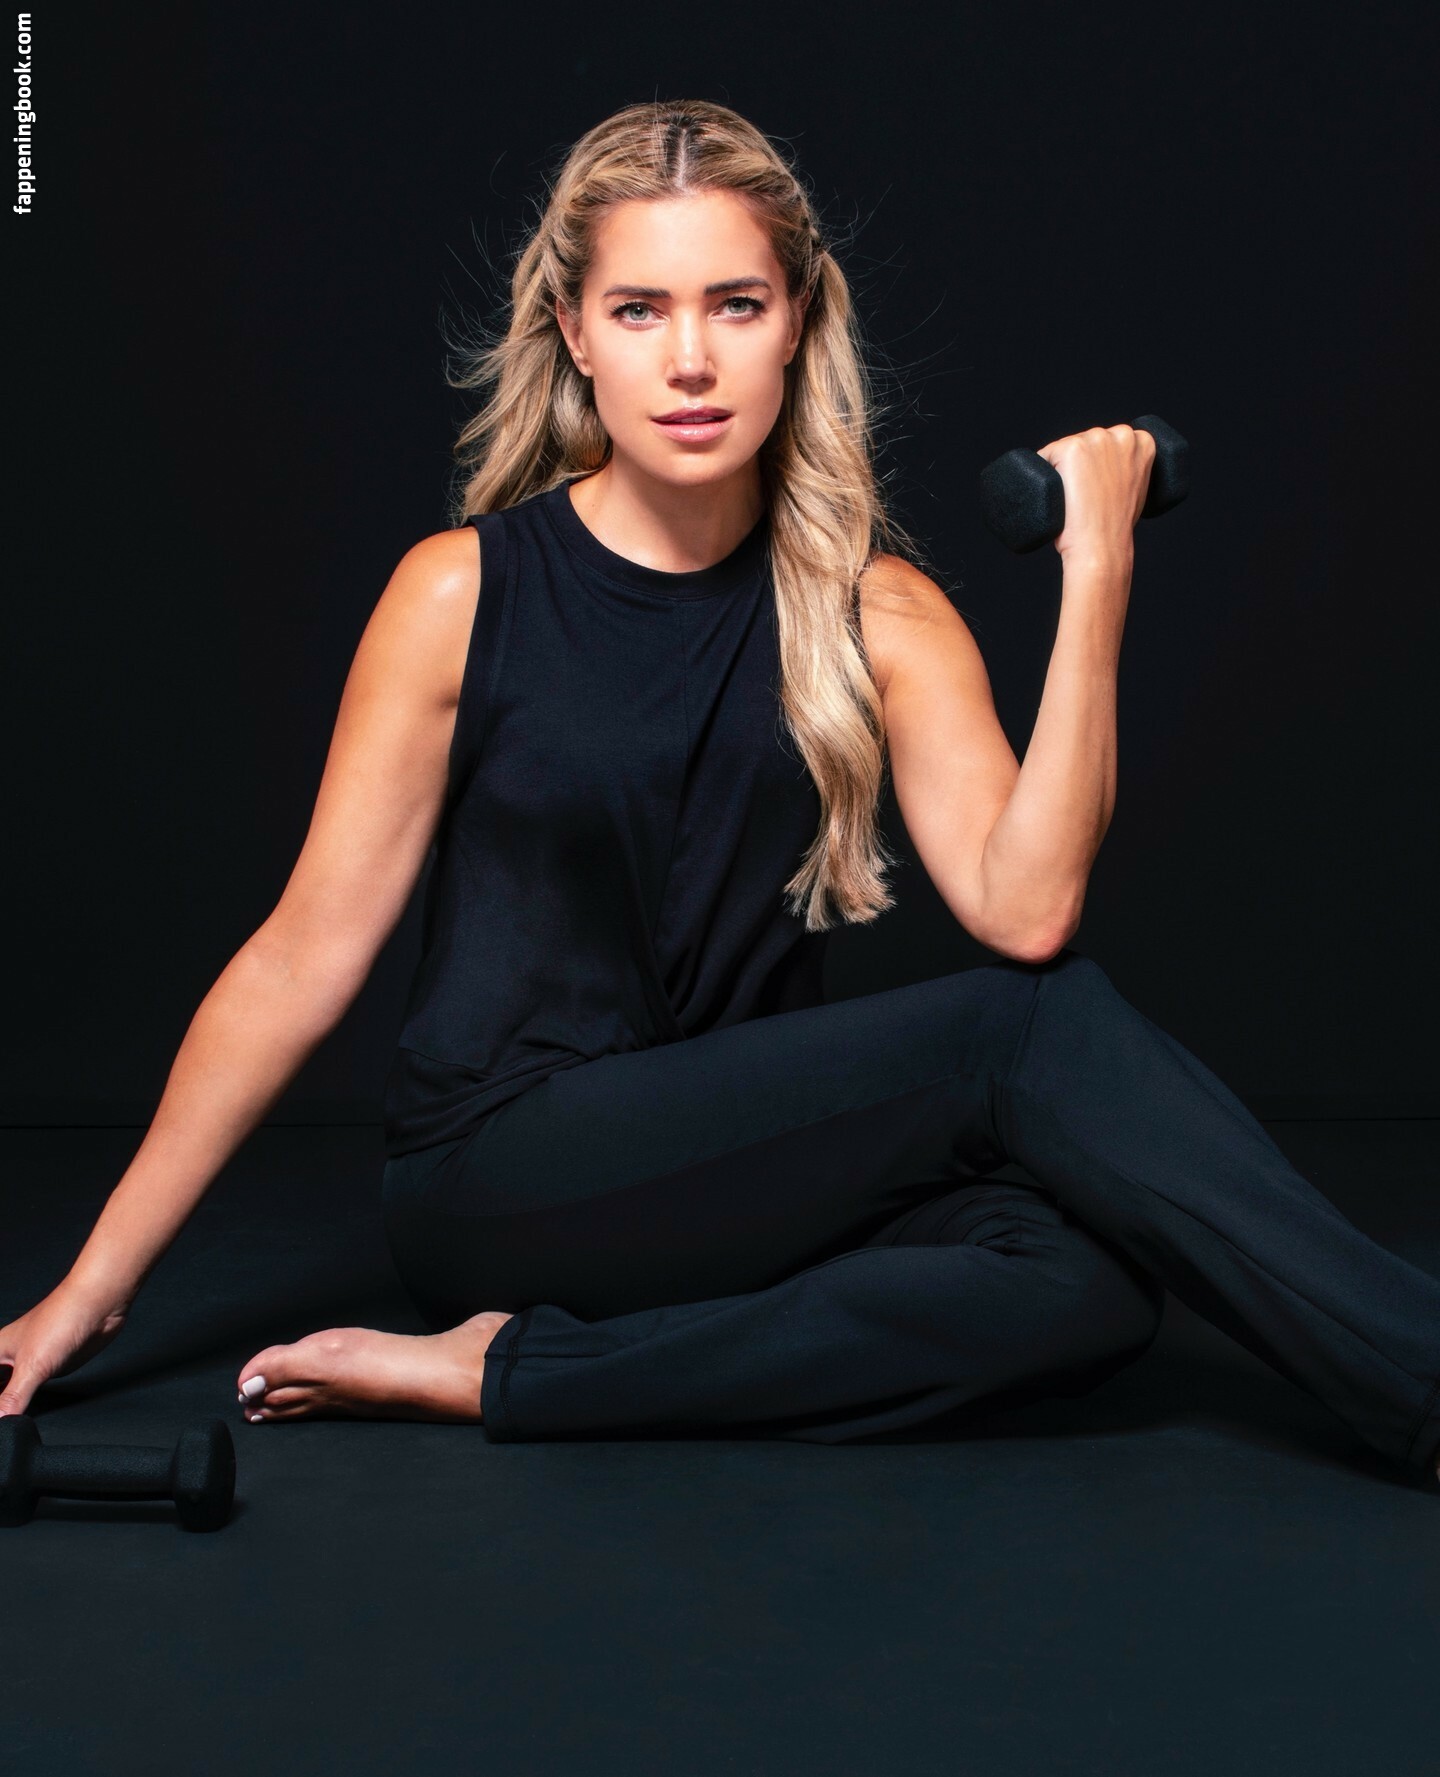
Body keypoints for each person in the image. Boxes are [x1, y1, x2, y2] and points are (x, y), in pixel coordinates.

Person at [3, 101, 1438, 1485]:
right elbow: (300, 958)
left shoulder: (878, 609)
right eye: (640, 310)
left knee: (1090, 1278)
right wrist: (89, 1289)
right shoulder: (461, 594)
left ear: (797, 320)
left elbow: (1029, 905)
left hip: (728, 1193)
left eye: (736, 305)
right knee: (1027, 1034)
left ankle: (514, 1375)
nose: (690, 360)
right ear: (574, 333)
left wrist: (1097, 569)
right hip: (500, 1179)